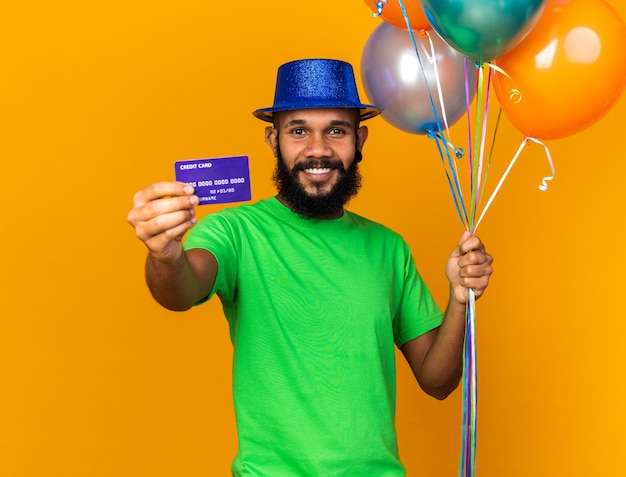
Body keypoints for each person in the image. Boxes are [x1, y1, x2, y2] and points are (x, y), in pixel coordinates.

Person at [127, 58, 493, 476]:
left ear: (360, 140)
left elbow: (438, 382)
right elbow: (180, 292)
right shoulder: (235, 231)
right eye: (298, 131)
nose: (317, 149)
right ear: (273, 140)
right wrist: (166, 254)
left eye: (336, 130)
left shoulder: (388, 248)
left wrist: (460, 302)